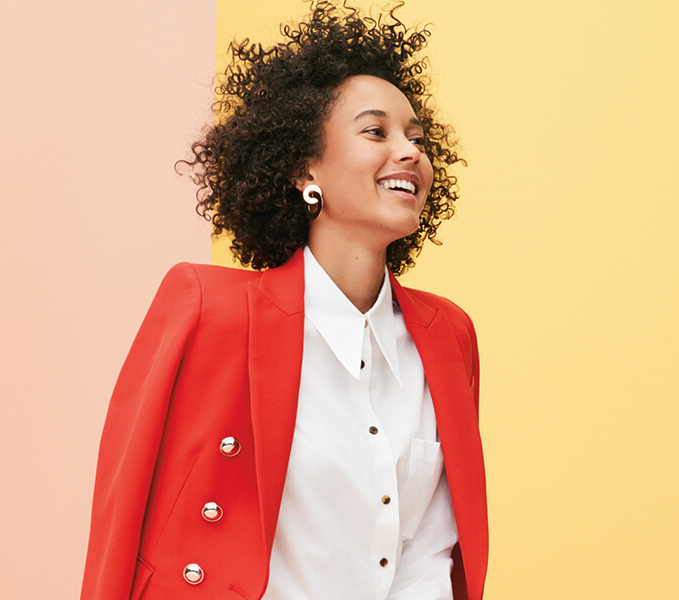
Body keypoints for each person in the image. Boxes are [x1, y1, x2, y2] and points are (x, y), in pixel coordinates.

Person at [79, 3, 485, 599]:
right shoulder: (207, 309)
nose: (410, 153)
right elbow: (123, 517)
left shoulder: (448, 335)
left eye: (417, 138)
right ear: (303, 169)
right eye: (376, 132)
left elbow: (430, 554)